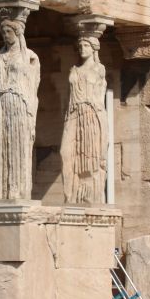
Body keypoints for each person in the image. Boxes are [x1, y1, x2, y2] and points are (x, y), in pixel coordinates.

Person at [0, 13, 40, 200]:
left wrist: (31, 115)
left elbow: (33, 86)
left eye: (8, 31)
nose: (5, 36)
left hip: (18, 103)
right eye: (3, 32)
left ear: (17, 33)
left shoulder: (30, 57)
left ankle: (16, 191)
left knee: (17, 146)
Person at [61, 35, 107, 204]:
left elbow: (100, 97)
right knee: (65, 152)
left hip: (90, 114)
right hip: (73, 113)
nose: (82, 48)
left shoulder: (99, 70)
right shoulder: (74, 69)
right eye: (80, 45)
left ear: (94, 49)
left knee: (90, 156)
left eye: (86, 45)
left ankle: (88, 196)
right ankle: (70, 195)